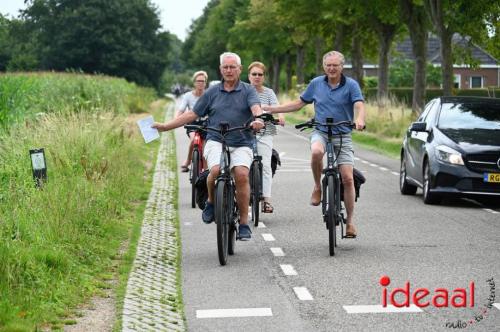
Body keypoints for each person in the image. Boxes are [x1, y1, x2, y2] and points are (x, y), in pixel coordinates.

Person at [152, 52, 265, 240]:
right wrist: (165, 126)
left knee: (242, 175)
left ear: (239, 69)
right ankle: (212, 201)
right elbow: (191, 115)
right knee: (214, 170)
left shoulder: (248, 90)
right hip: (216, 140)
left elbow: (256, 108)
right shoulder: (211, 92)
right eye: (225, 67)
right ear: (220, 70)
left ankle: (244, 223)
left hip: (241, 141)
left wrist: (259, 120)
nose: (229, 70)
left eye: (232, 67)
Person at [263, 50, 366, 238]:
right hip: (321, 131)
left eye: (335, 65)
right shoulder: (316, 83)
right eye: (328, 65)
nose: (332, 68)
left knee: (348, 178)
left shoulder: (351, 85)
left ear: (342, 67)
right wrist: (272, 108)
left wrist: (359, 119)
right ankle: (318, 187)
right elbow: (298, 104)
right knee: (316, 152)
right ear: (324, 67)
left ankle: (350, 222)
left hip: (343, 133)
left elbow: (359, 104)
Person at [247, 61, 285, 213]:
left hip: (266, 132)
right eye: (254, 74)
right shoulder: (244, 90)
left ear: (264, 77)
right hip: (246, 131)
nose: (257, 77)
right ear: (249, 76)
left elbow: (277, 107)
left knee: (267, 166)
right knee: (241, 164)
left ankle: (267, 201)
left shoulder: (269, 93)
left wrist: (281, 117)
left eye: (260, 74)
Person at [176, 71, 208, 172]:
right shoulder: (187, 96)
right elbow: (181, 110)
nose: (200, 83)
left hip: (206, 124)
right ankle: (188, 161)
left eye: (203, 81)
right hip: (192, 124)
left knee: (205, 149)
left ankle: (206, 171)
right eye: (198, 81)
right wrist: (176, 120)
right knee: (194, 139)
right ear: (194, 82)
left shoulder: (209, 95)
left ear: (205, 83)